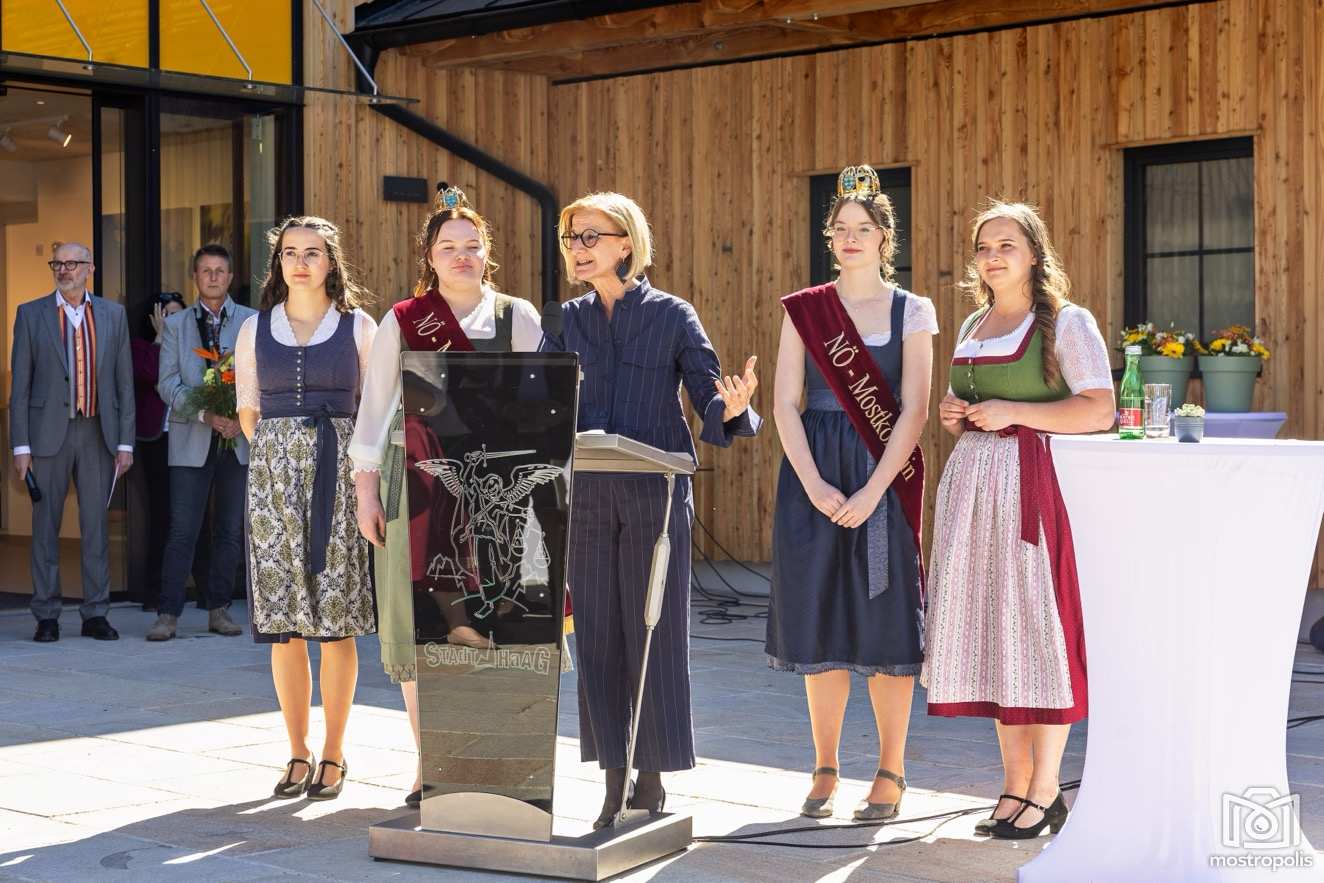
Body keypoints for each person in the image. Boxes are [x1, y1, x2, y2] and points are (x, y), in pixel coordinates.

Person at [541, 192, 761, 828]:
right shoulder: (565, 321)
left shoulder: (672, 315)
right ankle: (613, 778)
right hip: (586, 495)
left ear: (626, 244)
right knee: (597, 634)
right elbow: (542, 402)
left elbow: (709, 397)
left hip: (654, 494)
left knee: (652, 631)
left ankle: (652, 777)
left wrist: (735, 407)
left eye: (591, 236)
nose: (578, 249)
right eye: (571, 238)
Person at [921, 201, 1114, 839]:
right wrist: (958, 415)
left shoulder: (1066, 322)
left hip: (1034, 489)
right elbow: (980, 411)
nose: (993, 256)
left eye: (1007, 244)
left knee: (1035, 631)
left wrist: (1014, 412)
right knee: (995, 632)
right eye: (984, 247)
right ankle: (1013, 783)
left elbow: (1099, 410)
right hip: (975, 491)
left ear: (1034, 253)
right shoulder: (974, 323)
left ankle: (1046, 787)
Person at [349, 186, 543, 808]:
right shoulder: (404, 319)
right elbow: (374, 411)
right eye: (448, 246)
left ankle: (493, 760)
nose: (462, 256)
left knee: (496, 623)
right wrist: (366, 494)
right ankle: (430, 763)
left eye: (472, 245)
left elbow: (541, 404)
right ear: (429, 257)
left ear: (488, 252)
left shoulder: (518, 317)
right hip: (421, 491)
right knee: (426, 627)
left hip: (498, 499)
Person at [766, 165, 936, 820]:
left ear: (884, 237)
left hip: (880, 477)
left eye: (864, 227)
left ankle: (891, 769)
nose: (851, 237)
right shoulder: (805, 309)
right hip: (814, 477)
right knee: (820, 620)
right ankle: (825, 765)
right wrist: (813, 484)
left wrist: (872, 491)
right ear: (829, 237)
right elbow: (785, 403)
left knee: (885, 623)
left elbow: (915, 409)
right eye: (841, 228)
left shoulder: (912, 310)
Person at [235, 217, 377, 800]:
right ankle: (298, 751)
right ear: (278, 263)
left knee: (335, 623)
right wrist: (281, 460)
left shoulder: (358, 326)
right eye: (290, 253)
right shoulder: (255, 328)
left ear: (331, 262)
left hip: (338, 477)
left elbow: (374, 409)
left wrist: (342, 465)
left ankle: (335, 752)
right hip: (273, 484)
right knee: (284, 626)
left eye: (312, 253)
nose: (300, 263)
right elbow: (248, 410)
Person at [11, 242, 134, 643]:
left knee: (96, 528)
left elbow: (124, 383)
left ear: (89, 269)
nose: (63, 270)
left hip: (98, 432)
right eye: (58, 263)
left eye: (72, 263)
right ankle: (46, 615)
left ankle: (95, 613)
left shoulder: (113, 315)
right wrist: (20, 446)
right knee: (45, 528)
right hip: (47, 435)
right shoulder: (31, 314)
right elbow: (20, 385)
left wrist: (126, 443)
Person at [147, 244, 256, 641]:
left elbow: (261, 378)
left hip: (236, 441)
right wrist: (206, 414)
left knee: (229, 530)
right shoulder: (176, 325)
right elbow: (166, 383)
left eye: (219, 271)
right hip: (190, 438)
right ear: (195, 277)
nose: (212, 277)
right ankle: (167, 614)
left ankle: (219, 609)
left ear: (230, 278)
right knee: (183, 530)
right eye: (205, 270)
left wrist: (240, 418)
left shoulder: (251, 322)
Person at [128, 291, 186, 611]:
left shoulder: (192, 347)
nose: (173, 321)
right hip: (156, 440)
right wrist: (161, 339)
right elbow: (150, 374)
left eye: (178, 315)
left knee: (190, 516)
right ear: (153, 318)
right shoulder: (141, 347)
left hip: (188, 438)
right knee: (161, 515)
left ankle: (195, 588)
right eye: (167, 315)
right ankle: (154, 591)